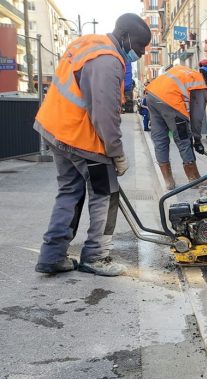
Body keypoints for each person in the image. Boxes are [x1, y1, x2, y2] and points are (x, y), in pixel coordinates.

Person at [33, 13, 151, 277]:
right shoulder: (108, 61)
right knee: (106, 194)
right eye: (140, 46)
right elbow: (105, 114)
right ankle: (96, 256)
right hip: (81, 137)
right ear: (125, 36)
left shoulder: (88, 42)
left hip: (56, 129)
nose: (142, 53)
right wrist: (117, 154)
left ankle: (52, 256)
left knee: (69, 191)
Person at [145, 63, 207, 190]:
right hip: (171, 101)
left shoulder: (185, 71)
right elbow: (197, 118)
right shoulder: (200, 85)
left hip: (152, 95)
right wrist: (197, 140)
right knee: (184, 140)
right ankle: (194, 179)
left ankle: (168, 181)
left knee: (160, 140)